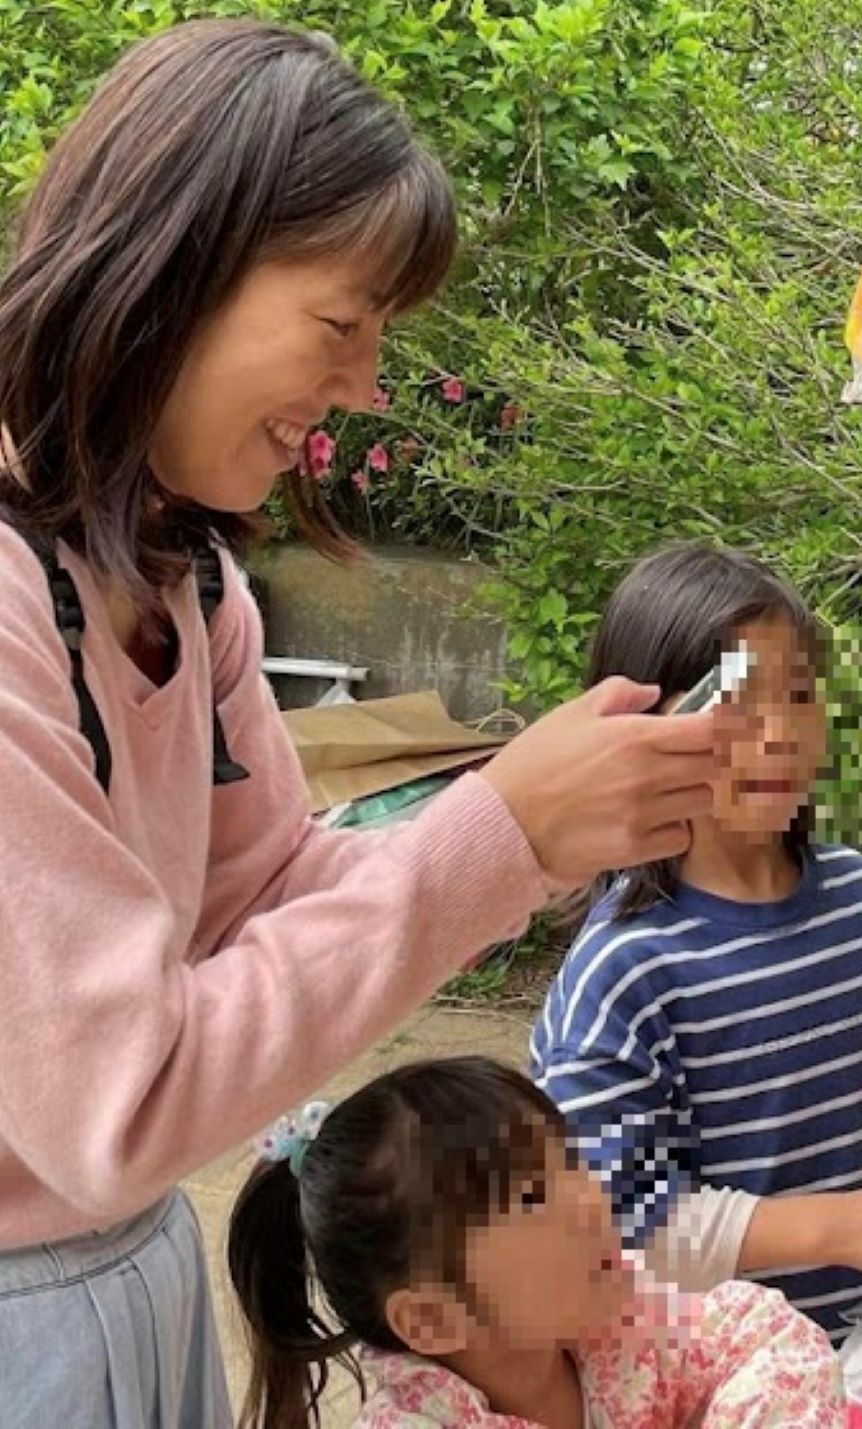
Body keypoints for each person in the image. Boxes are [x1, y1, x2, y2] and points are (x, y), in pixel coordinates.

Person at [0, 22, 725, 1422]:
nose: (363, 388)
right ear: (175, 261)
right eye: (342, 324)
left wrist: (539, 819)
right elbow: (123, 1105)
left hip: (131, 1273)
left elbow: (276, 891)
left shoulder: (184, 585)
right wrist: (500, 835)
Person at [531, 544, 862, 1345]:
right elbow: (629, 1225)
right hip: (710, 1378)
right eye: (734, 702)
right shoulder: (623, 971)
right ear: (638, 730)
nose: (775, 733)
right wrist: (839, 1228)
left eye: (797, 695)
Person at [227, 1057, 854, 1428]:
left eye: (571, 1161)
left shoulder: (616, 1330)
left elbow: (768, 1340)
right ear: (432, 1317)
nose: (588, 1199)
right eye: (533, 1197)